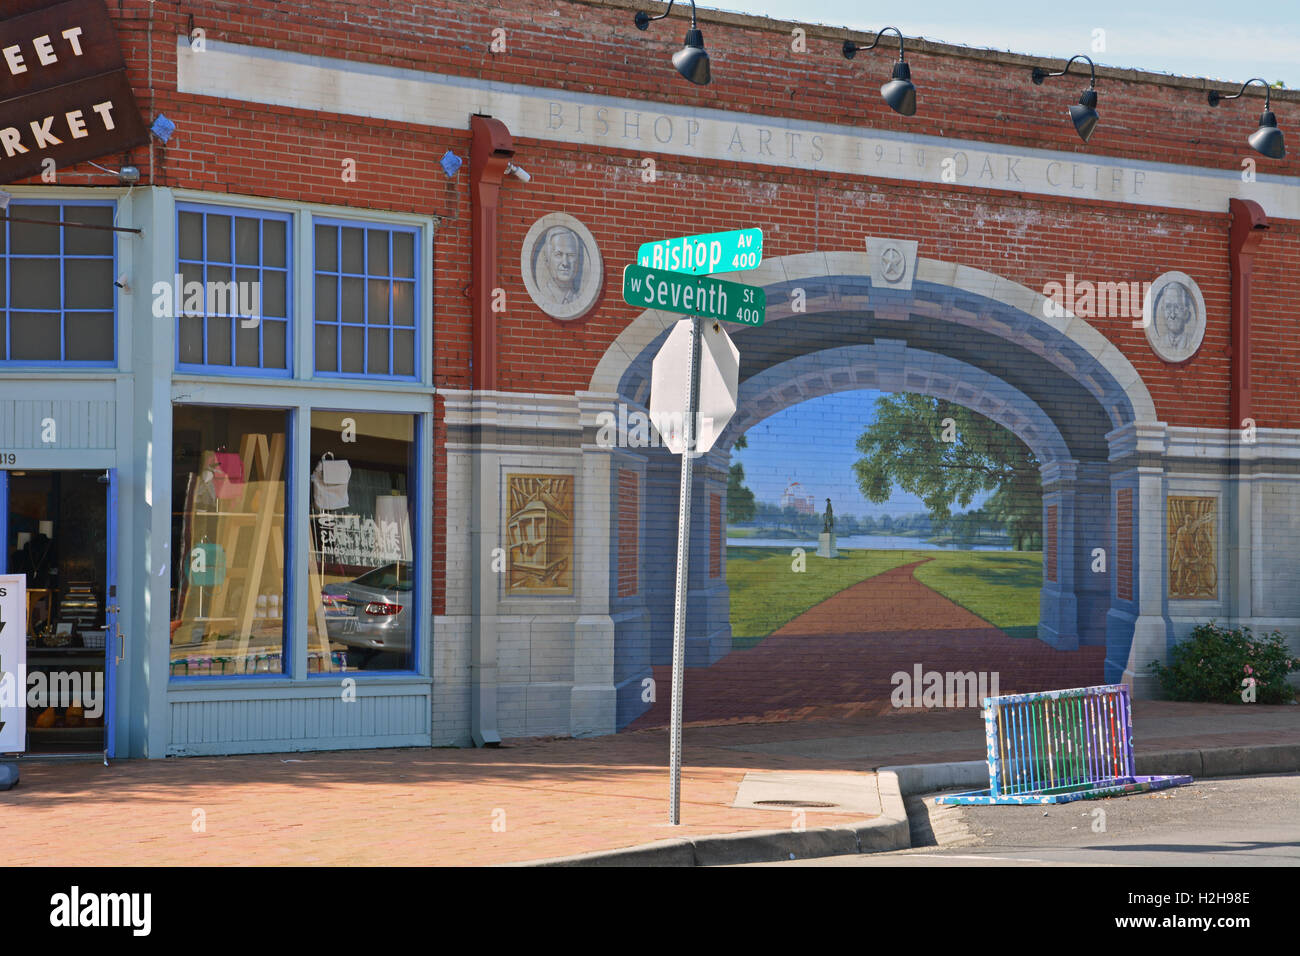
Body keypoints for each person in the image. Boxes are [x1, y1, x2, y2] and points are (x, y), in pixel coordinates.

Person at [538, 226, 582, 304]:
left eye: (571, 255)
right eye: (558, 255)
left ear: (577, 262)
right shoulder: (541, 295)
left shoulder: (579, 299)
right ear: (547, 260)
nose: (565, 263)